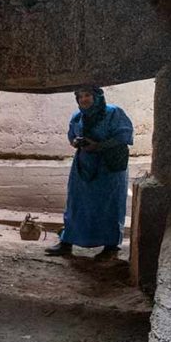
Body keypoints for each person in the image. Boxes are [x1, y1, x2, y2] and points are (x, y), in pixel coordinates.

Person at [45, 85, 134, 260]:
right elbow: (71, 136)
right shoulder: (78, 116)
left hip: (109, 169)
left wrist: (99, 146)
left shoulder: (113, 113)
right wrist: (77, 142)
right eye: (80, 96)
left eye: (87, 95)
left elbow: (125, 137)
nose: (84, 99)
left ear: (97, 97)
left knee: (108, 205)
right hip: (84, 168)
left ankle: (110, 247)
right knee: (76, 204)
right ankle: (67, 241)